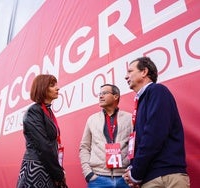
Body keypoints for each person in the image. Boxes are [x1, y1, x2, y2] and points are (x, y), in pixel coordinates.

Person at [123, 57, 190, 188]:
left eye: (130, 71)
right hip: (150, 177)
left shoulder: (157, 91)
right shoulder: (142, 101)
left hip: (165, 177)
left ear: (144, 72)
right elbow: (142, 140)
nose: (126, 76)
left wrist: (135, 173)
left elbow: (154, 134)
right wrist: (133, 168)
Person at [17, 74, 67, 188]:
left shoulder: (47, 111)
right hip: (36, 169)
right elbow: (43, 146)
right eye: (52, 85)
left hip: (48, 167)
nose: (57, 88)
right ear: (42, 88)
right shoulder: (34, 111)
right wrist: (59, 173)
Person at [79, 84, 133, 188]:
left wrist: (132, 169)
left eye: (104, 93)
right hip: (98, 179)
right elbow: (84, 147)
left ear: (116, 96)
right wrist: (88, 173)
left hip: (124, 178)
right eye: (99, 94)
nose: (100, 96)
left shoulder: (129, 118)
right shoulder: (92, 119)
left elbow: (136, 146)